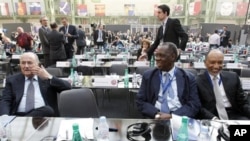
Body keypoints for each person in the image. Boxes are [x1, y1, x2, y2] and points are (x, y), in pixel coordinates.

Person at [136, 42, 201, 119]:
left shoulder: (188, 77)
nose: (157, 58)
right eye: (156, 55)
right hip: (155, 117)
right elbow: (140, 101)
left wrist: (172, 116)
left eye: (161, 56)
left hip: (179, 118)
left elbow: (194, 104)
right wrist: (156, 114)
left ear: (173, 57)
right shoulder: (148, 76)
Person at [0, 52, 71, 117]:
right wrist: (4, 116)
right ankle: (25, 121)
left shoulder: (46, 78)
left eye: (30, 63)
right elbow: (6, 100)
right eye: (23, 63)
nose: (26, 66)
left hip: (43, 117)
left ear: (38, 65)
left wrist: (49, 77)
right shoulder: (12, 80)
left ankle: (25, 121)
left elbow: (67, 87)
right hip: (18, 116)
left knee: (47, 110)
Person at [196, 49, 250, 120]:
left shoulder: (233, 77)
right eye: (212, 62)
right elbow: (198, 106)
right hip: (211, 115)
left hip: (234, 115)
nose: (216, 66)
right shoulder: (197, 81)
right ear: (205, 63)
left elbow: (242, 102)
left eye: (220, 62)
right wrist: (213, 118)